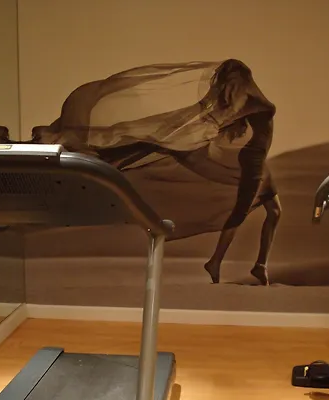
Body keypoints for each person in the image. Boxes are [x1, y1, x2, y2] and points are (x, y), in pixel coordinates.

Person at [29, 59, 282, 285]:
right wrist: (200, 130)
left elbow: (226, 114)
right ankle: (218, 262)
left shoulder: (245, 99)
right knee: (240, 211)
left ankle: (258, 265)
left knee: (273, 210)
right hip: (252, 162)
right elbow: (222, 114)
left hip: (253, 159)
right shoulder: (245, 99)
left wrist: (211, 125)